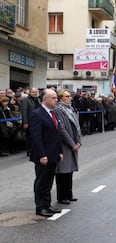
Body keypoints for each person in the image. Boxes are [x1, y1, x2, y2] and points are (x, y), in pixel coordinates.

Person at [29, 89, 63, 217]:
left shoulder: (53, 114)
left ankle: (47, 205)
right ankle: (40, 207)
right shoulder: (37, 114)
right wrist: (42, 155)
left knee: (49, 181)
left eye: (56, 98)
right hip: (42, 155)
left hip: (53, 153)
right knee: (41, 181)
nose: (56, 100)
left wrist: (59, 151)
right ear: (45, 99)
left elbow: (56, 134)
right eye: (53, 98)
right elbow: (36, 137)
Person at [54, 90, 81, 205]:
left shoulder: (70, 109)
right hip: (64, 144)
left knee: (69, 170)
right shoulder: (58, 110)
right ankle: (62, 196)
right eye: (67, 96)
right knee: (62, 171)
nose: (70, 98)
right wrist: (72, 143)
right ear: (60, 98)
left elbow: (76, 126)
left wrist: (78, 141)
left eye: (70, 96)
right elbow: (61, 129)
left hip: (72, 143)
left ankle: (69, 194)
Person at [21, 87, 41, 156]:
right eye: (33, 92)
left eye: (36, 92)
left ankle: (35, 149)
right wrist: (25, 122)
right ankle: (29, 150)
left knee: (37, 135)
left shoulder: (38, 99)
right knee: (30, 136)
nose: (35, 93)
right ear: (30, 92)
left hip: (38, 121)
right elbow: (24, 111)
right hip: (30, 121)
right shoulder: (26, 100)